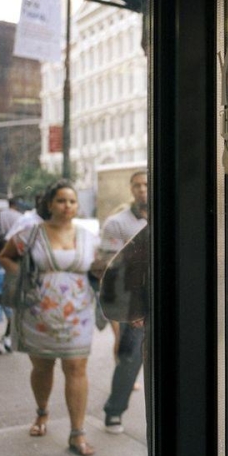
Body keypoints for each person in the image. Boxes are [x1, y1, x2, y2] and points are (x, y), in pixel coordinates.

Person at [0, 179, 101, 456]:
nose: (67, 206)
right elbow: (5, 256)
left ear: (77, 206)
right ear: (49, 204)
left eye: (71, 201)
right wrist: (24, 279)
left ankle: (77, 433)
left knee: (77, 368)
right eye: (61, 200)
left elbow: (100, 270)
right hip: (37, 312)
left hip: (77, 314)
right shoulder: (30, 234)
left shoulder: (90, 238)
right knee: (43, 368)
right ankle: (42, 414)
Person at [92, 171, 148, 435]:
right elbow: (106, 270)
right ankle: (114, 411)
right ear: (131, 189)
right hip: (135, 306)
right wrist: (128, 309)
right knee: (129, 359)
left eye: (146, 184)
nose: (141, 189)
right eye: (136, 185)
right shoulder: (117, 223)